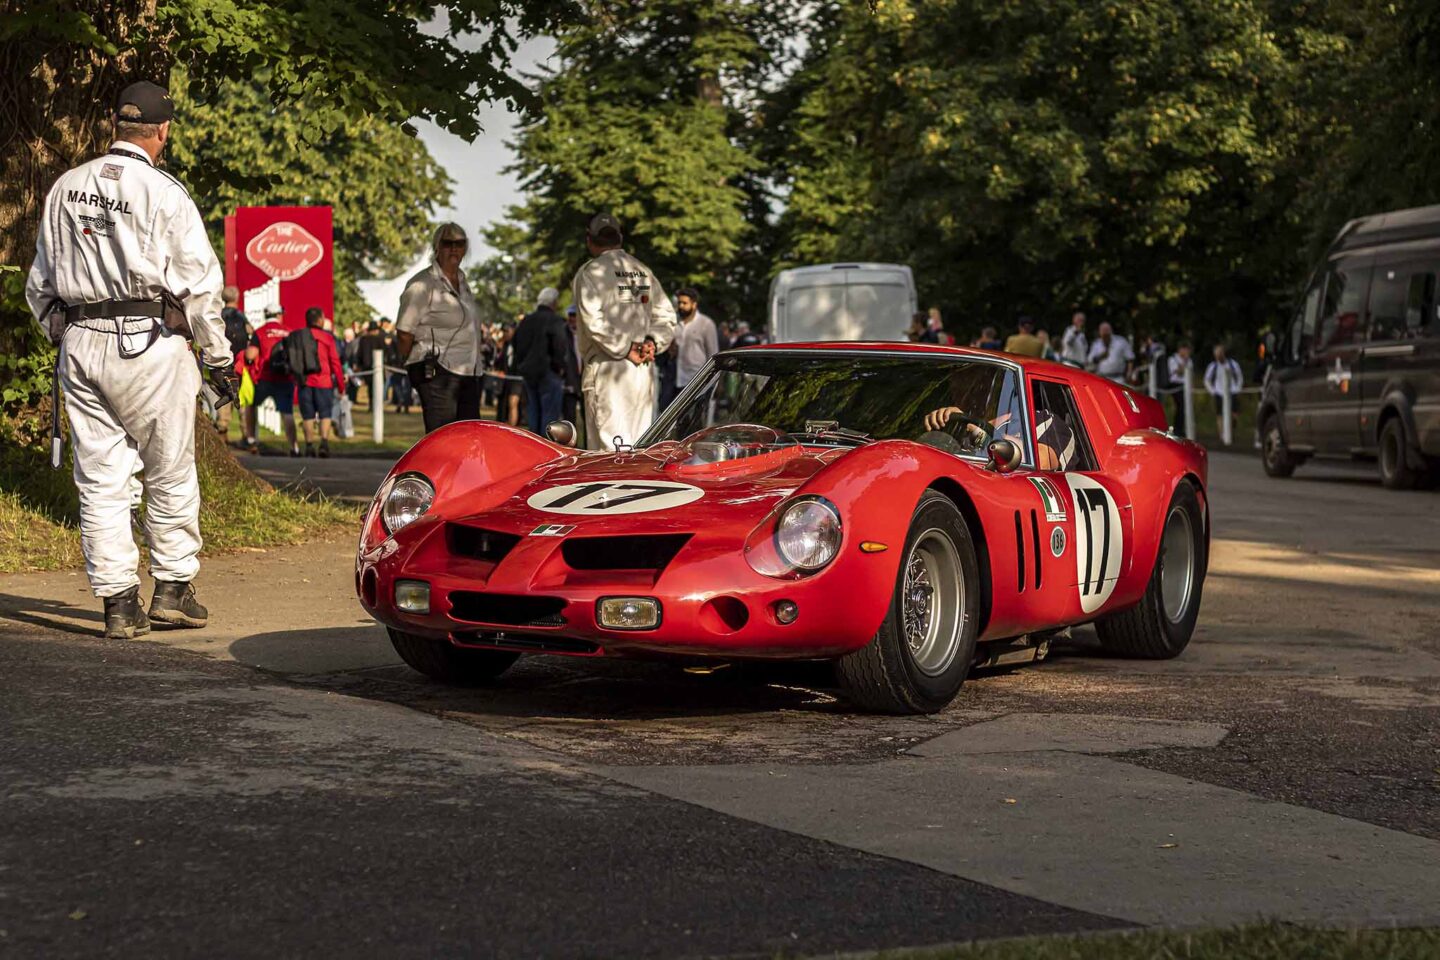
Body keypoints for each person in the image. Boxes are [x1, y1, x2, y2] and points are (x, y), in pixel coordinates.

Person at [25, 79, 232, 639]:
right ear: (162, 132)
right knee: (168, 468)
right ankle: (171, 587)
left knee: (99, 477)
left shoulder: (65, 187)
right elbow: (200, 288)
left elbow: (40, 286)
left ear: (116, 125)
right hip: (147, 343)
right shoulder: (165, 192)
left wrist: (65, 336)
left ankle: (118, 602)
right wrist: (218, 360)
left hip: (81, 339)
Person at [571, 212, 677, 450]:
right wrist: (652, 342)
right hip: (643, 369)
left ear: (590, 239)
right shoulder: (642, 271)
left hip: (609, 368)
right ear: (619, 237)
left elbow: (594, 322)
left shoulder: (591, 272)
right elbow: (667, 317)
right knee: (639, 445)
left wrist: (628, 348)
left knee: (608, 449)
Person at [395, 222, 482, 433]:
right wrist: (412, 363)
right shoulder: (422, 285)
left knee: (468, 440)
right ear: (437, 247)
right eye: (447, 243)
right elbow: (405, 332)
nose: (454, 249)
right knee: (443, 440)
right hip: (438, 372)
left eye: (459, 244)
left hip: (468, 372)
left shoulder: (463, 281)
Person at [286, 306, 345, 456]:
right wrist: (341, 385)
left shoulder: (299, 337)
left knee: (307, 416)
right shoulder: (327, 338)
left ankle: (309, 446)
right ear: (320, 320)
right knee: (325, 413)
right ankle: (324, 443)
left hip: (304, 381)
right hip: (324, 382)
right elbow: (335, 362)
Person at [245, 303, 300, 456]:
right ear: (279, 315)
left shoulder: (260, 332)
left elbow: (250, 355)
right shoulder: (289, 332)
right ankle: (294, 447)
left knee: (251, 404)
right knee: (287, 413)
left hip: (264, 378)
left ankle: (251, 440)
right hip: (285, 378)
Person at [513, 287, 569, 432]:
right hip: (549, 371)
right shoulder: (555, 320)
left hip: (529, 373)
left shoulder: (526, 321)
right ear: (554, 303)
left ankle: (535, 449)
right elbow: (560, 345)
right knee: (550, 417)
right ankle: (547, 449)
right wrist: (560, 367)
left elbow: (516, 344)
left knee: (533, 413)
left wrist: (523, 365)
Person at [214, 286, 248, 436]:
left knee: (224, 393)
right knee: (242, 396)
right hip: (240, 361)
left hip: (222, 360)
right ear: (236, 298)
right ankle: (247, 433)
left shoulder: (218, 315)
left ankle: (222, 427)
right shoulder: (241, 317)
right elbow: (249, 332)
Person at [673, 287, 720, 393]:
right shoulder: (674, 323)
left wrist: (714, 384)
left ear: (694, 304)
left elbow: (713, 354)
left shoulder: (706, 324)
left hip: (698, 382)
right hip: (675, 381)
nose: (681, 306)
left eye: (685, 303)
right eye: (679, 303)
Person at [1205, 343, 1243, 438]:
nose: (1218, 356)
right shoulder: (1213, 366)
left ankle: (1231, 430)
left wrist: (1238, 388)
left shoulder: (1233, 364)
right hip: (1219, 393)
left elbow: (1239, 377)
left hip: (1232, 392)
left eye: (1220, 354)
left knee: (1234, 414)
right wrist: (1212, 391)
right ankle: (1222, 435)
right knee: (1220, 415)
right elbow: (1207, 379)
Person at [354, 320, 387, 410]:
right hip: (378, 366)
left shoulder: (363, 340)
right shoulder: (380, 339)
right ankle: (377, 406)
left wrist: (358, 364)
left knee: (370, 388)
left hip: (367, 366)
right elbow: (385, 352)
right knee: (378, 388)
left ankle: (371, 405)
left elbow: (359, 353)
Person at [561, 305, 583, 424]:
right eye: (570, 315)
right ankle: (569, 443)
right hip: (569, 380)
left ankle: (588, 443)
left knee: (588, 417)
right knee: (569, 417)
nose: (572, 318)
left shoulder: (586, 332)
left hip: (585, 378)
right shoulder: (562, 332)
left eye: (574, 315)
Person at [1167, 341, 1194, 435]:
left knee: (1184, 407)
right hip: (1176, 385)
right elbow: (1178, 372)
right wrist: (1185, 361)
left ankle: (1182, 428)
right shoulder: (1173, 359)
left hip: (1185, 386)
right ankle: (1177, 429)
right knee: (1180, 406)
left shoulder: (1189, 360)